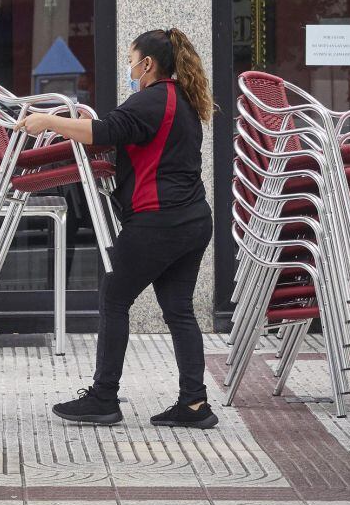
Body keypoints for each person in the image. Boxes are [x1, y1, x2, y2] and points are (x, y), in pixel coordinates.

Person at [16, 28, 217, 428]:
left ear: (148, 64)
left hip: (157, 220)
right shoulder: (184, 100)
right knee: (178, 311)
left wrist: (46, 121)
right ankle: (194, 404)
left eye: (131, 59)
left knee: (113, 298)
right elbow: (122, 137)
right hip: (194, 219)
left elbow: (102, 131)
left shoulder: (150, 100)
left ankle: (103, 398)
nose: (129, 67)